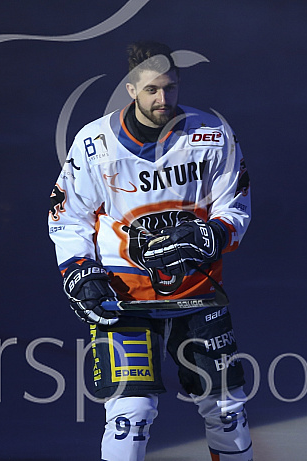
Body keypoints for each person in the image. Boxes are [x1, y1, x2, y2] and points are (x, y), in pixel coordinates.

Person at [49, 40, 253, 461]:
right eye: (152, 90)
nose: (164, 99)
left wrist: (213, 234)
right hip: (123, 299)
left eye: (171, 88)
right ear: (131, 89)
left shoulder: (212, 136)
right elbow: (68, 216)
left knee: (227, 410)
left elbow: (235, 203)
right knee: (131, 413)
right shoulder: (95, 144)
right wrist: (79, 271)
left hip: (197, 293)